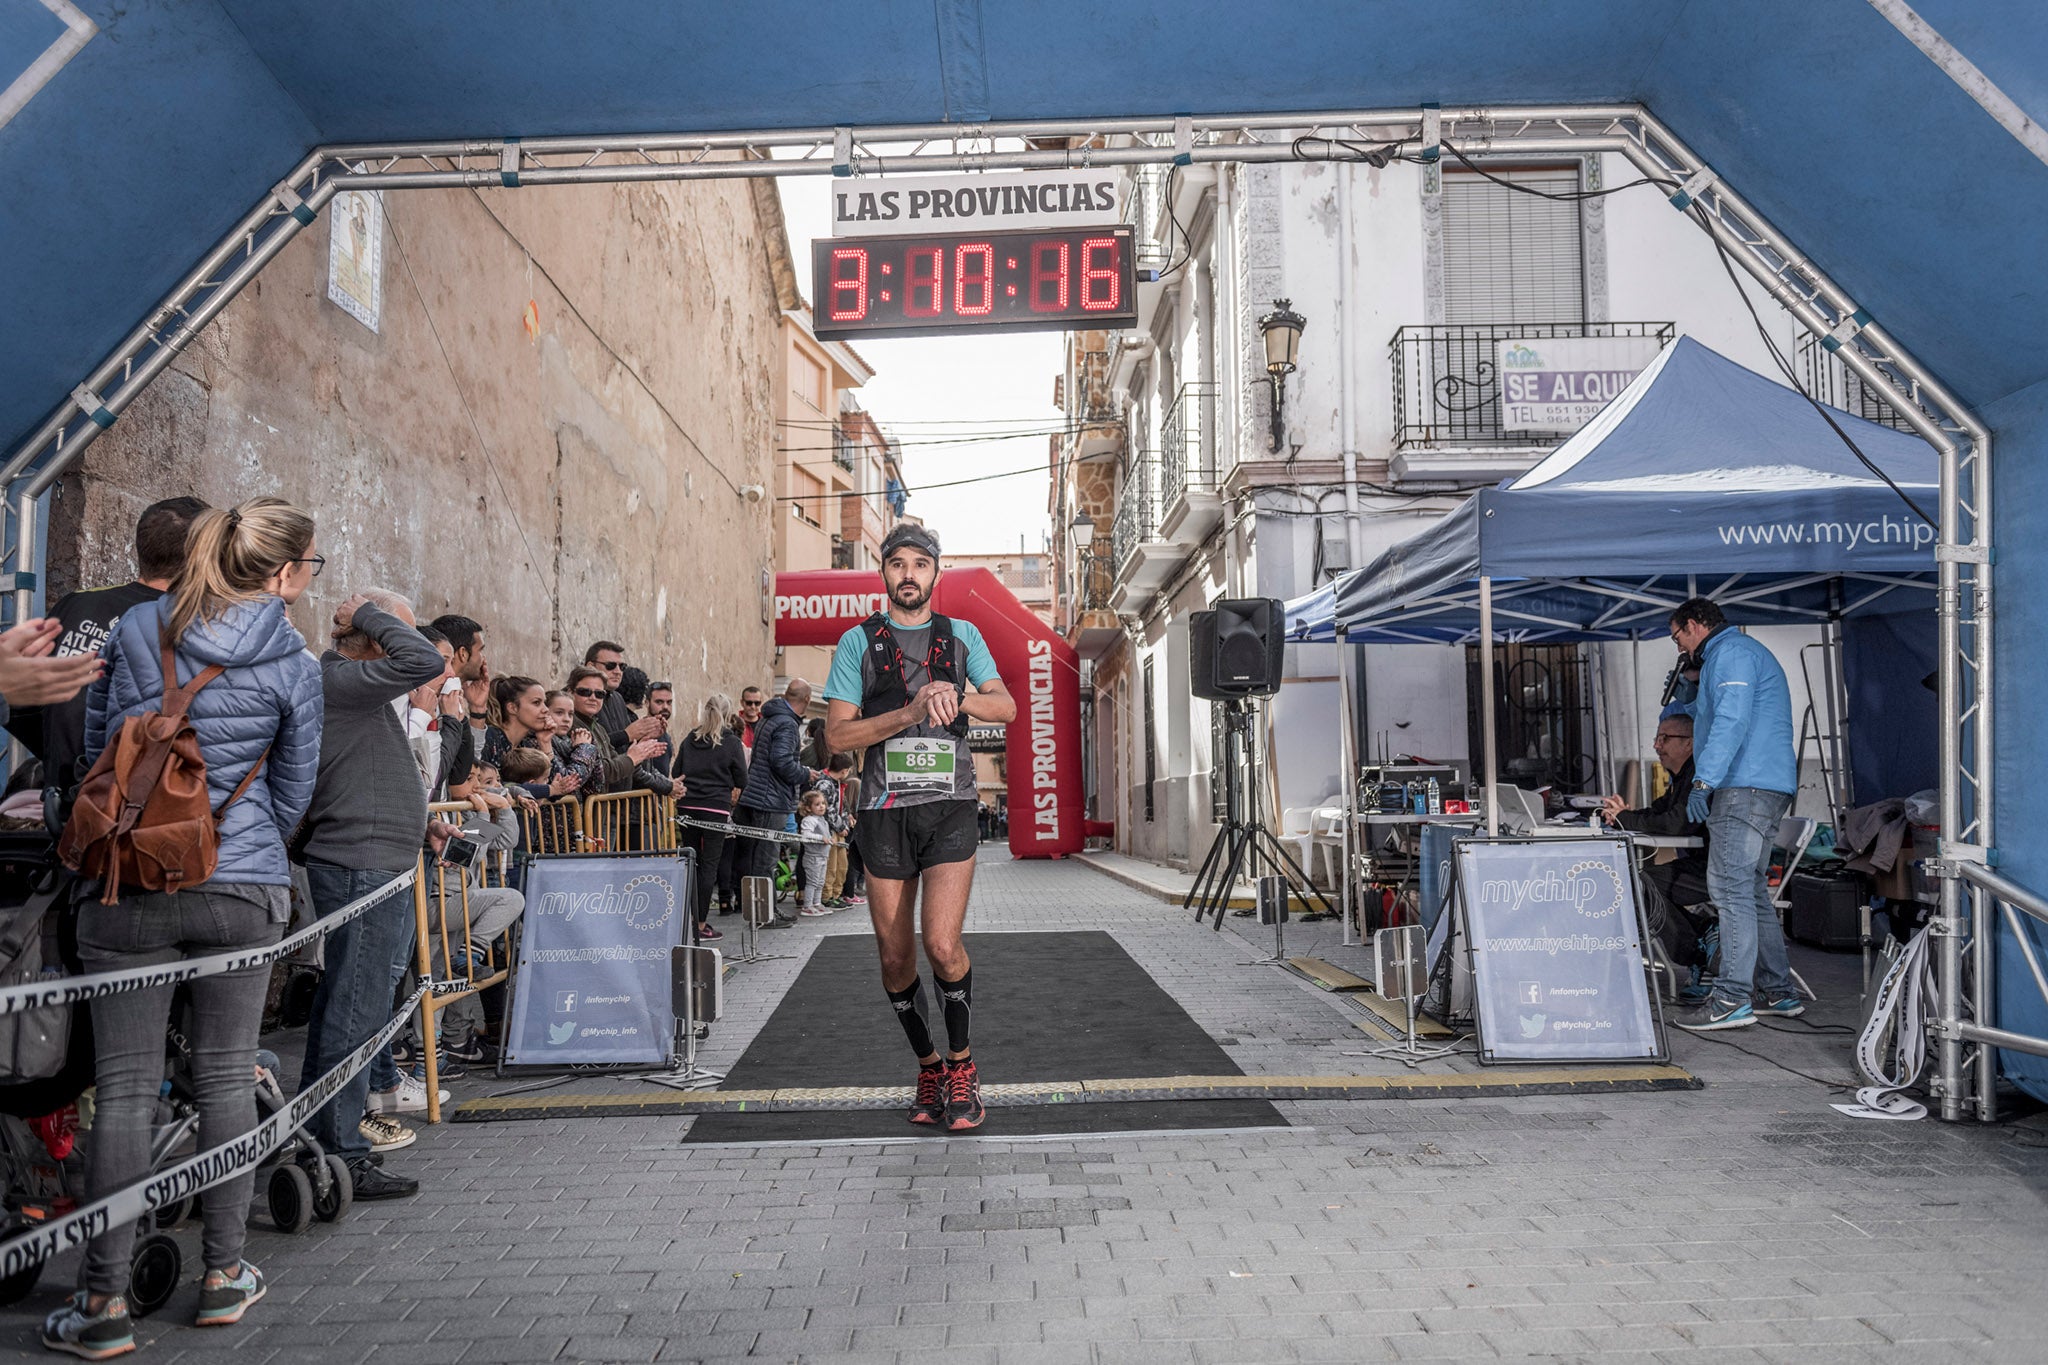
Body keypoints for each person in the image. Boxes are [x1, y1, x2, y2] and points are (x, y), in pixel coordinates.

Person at [44, 498, 322, 1356]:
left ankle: (102, 1304)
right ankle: (222, 1274)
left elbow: (102, 743)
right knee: (225, 1078)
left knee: (123, 1091)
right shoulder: (292, 658)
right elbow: (294, 788)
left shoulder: (135, 627)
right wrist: (240, 845)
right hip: (239, 885)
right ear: (279, 573)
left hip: (129, 880)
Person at [823, 523, 1014, 1131]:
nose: (909, 574)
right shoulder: (857, 643)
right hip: (883, 812)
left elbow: (1005, 706)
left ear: (936, 573)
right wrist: (907, 711)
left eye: (920, 564)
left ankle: (962, 1065)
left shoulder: (962, 637)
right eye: (897, 563)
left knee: (941, 944)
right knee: (894, 958)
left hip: (951, 806)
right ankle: (928, 1065)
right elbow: (837, 735)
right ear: (884, 572)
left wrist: (956, 696)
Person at [297, 588, 448, 1198]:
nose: (398, 639)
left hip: (375, 860)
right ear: (373, 639)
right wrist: (368, 614)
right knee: (355, 1011)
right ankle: (340, 1153)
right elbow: (426, 661)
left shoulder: (353, 688)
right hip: (359, 865)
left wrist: (422, 822)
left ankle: (321, 1142)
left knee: (349, 1005)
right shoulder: (341, 679)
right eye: (391, 630)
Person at [5, 496, 207, 818]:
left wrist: (60, 762)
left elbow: (20, 703)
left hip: (61, 809)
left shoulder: (76, 604)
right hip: (122, 819)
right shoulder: (185, 625)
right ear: (200, 558)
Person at [1666, 597, 1801, 1032]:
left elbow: (1731, 718)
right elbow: (1718, 714)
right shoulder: (1737, 655)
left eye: (1678, 637)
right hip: (1764, 782)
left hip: (1743, 784)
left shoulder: (1732, 653)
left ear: (1694, 625)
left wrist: (1703, 780)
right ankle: (1778, 991)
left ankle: (1730, 999)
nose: (1679, 647)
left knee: (1729, 889)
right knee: (1753, 891)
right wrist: (1688, 693)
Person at [1600, 714, 1714, 992]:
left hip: (1713, 868)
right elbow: (1657, 812)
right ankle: (1703, 934)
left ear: (1689, 744)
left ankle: (1698, 951)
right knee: (1637, 881)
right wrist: (1622, 816)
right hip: (1693, 864)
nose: (1657, 745)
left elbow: (1676, 823)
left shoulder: (1699, 777)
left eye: (1665, 739)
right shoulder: (1679, 778)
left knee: (1639, 885)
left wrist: (1626, 819)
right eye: (1657, 738)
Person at [734, 679, 818, 919]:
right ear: (807, 700)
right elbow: (781, 761)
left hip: (757, 795)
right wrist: (805, 773)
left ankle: (758, 911)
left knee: (756, 859)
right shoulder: (786, 724)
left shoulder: (769, 718)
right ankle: (765, 914)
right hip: (771, 800)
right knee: (766, 859)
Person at [675, 693, 747, 940]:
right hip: (716, 807)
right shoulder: (731, 742)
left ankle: (684, 920)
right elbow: (742, 779)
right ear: (728, 715)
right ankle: (701, 924)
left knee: (690, 862)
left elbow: (676, 771)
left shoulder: (690, 738)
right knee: (709, 865)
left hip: (687, 806)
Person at [796, 791, 833, 918]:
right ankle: (807, 906)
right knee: (812, 882)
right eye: (817, 804)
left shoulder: (822, 820)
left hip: (822, 856)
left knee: (820, 882)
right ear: (808, 807)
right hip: (813, 857)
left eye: (823, 803)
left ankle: (816, 903)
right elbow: (805, 835)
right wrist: (820, 837)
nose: (822, 806)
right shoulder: (809, 820)